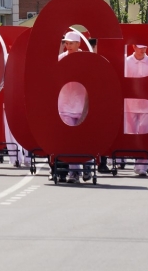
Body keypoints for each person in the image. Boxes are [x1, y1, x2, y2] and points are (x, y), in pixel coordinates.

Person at [57, 30, 90, 182]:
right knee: (69, 140)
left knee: (83, 139)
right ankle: (74, 172)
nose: (68, 46)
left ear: (79, 44)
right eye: (66, 43)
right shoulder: (60, 59)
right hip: (65, 105)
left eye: (71, 43)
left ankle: (87, 166)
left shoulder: (87, 59)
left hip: (83, 105)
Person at [124, 43, 148, 176]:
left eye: (144, 47)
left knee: (145, 133)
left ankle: (141, 165)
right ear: (133, 47)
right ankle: (127, 158)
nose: (142, 50)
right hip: (130, 103)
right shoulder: (126, 62)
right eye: (140, 47)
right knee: (130, 133)